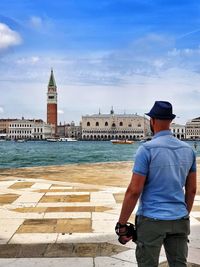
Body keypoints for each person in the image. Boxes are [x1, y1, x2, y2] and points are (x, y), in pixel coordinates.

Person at [116, 101, 197, 267]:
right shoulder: (188, 150)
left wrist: (122, 225)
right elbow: (192, 190)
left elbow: (134, 190)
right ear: (170, 122)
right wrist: (183, 214)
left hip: (152, 220)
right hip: (179, 219)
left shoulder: (146, 150)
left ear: (152, 121)